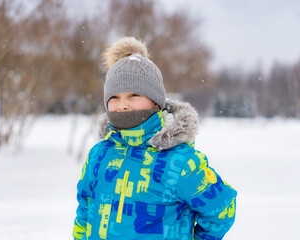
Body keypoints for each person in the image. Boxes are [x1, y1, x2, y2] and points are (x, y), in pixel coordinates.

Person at [73, 37, 237, 240]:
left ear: (155, 103)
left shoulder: (180, 163)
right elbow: (85, 205)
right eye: (114, 97)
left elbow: (221, 209)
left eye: (133, 95)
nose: (123, 105)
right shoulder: (99, 154)